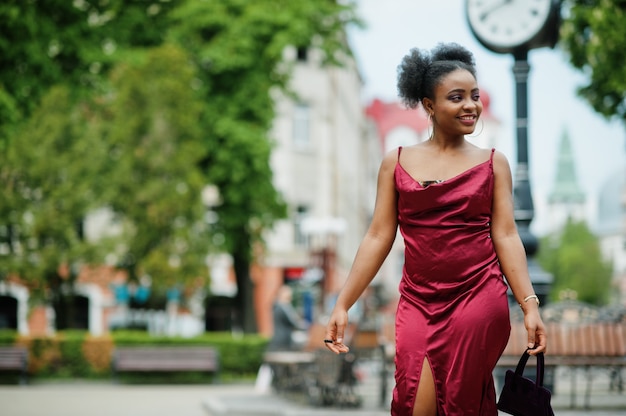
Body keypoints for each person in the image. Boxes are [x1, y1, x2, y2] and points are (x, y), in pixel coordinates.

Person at [323, 43, 547, 416]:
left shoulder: (494, 164)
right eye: (456, 97)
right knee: (414, 402)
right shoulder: (394, 162)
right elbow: (378, 235)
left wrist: (529, 305)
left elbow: (506, 235)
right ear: (428, 105)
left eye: (474, 96)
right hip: (417, 300)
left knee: (460, 402)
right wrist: (343, 302)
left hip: (478, 296)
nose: (470, 106)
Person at [267, 285, 308, 351]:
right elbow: (293, 321)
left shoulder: (277, 306)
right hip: (283, 338)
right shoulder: (283, 306)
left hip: (279, 337)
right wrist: (304, 325)